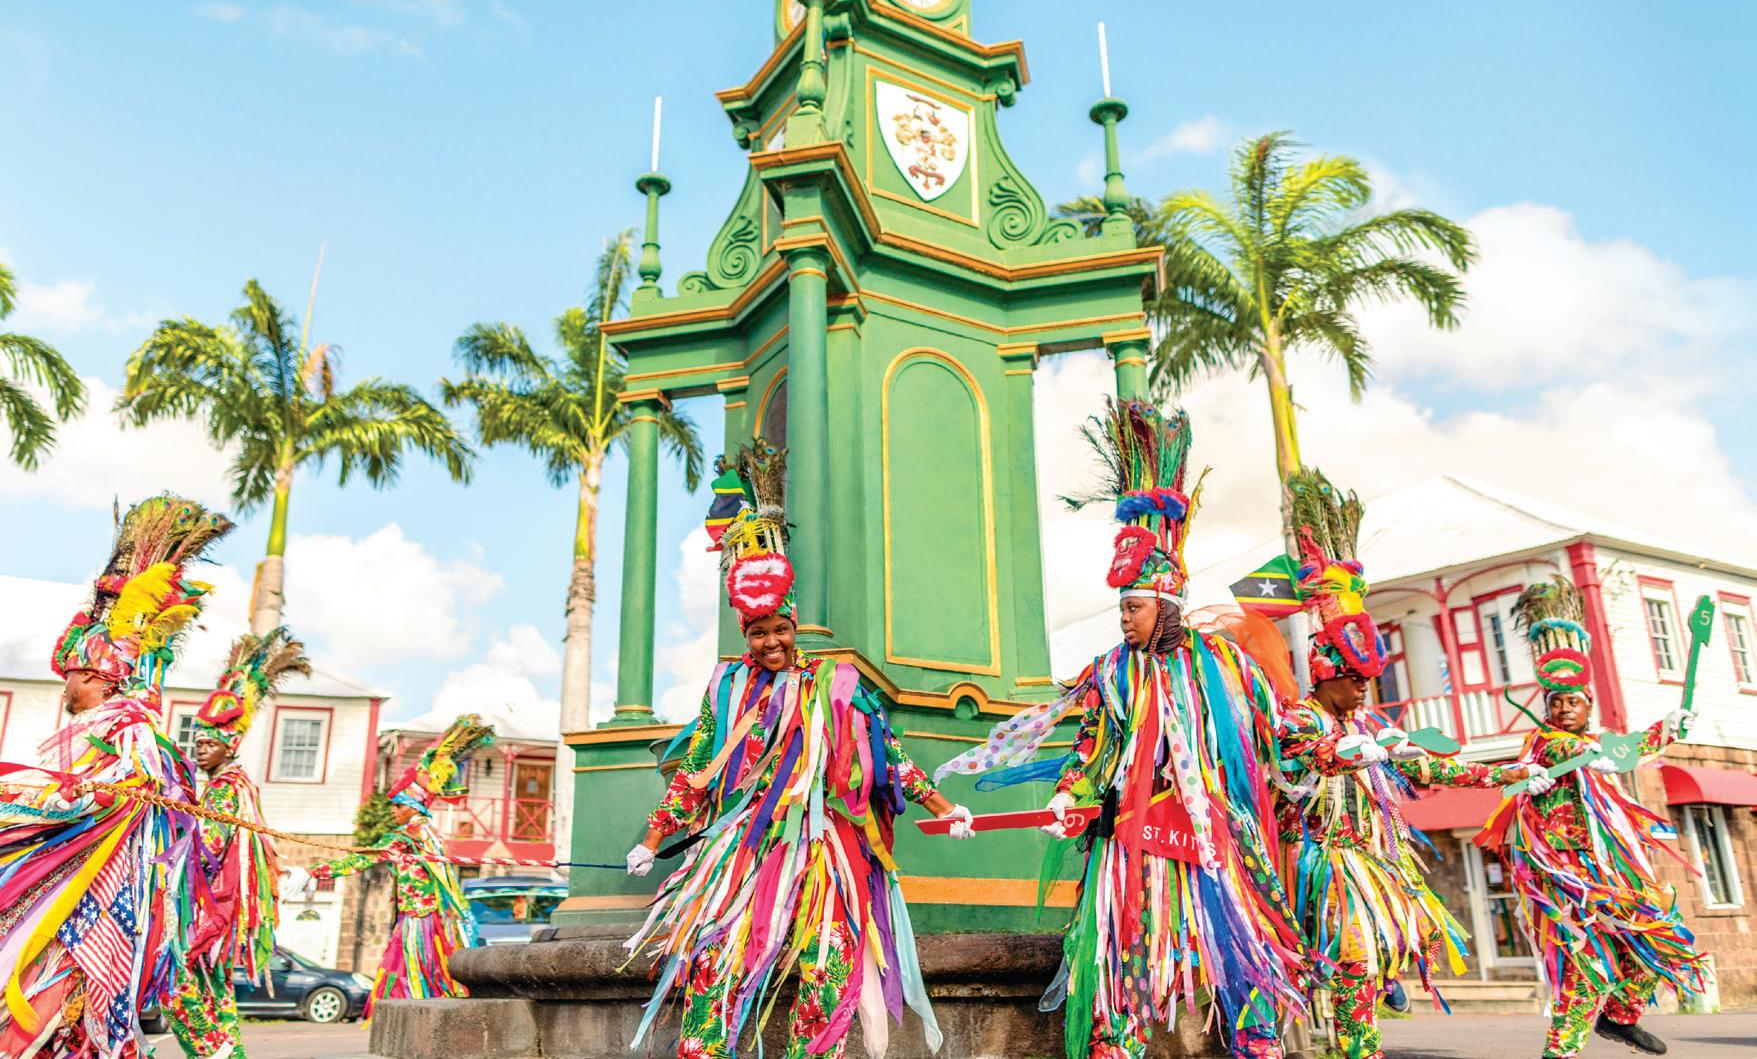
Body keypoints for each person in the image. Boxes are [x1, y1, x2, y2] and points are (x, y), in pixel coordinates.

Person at [938, 398, 1305, 1059]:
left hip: (1209, 835)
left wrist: (1328, 747)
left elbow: (1277, 731)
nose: (1124, 619)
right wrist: (1070, 793)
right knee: (1117, 953)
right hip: (1131, 837)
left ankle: (1258, 1046)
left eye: (1133, 607)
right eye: (1121, 609)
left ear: (1167, 605)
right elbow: (1092, 747)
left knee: (1242, 947)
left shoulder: (1223, 664)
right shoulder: (1111, 671)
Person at [624, 438, 970, 1059]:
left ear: (794, 624)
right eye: (759, 632)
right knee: (713, 959)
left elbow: (888, 756)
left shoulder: (834, 686)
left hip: (820, 851)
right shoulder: (726, 689)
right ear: (745, 633)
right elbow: (697, 769)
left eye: (780, 629)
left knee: (831, 959)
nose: (771, 643)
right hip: (745, 851)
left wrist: (944, 808)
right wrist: (651, 841)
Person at [1270, 469, 1530, 1059]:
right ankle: (1357, 1044)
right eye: (1355, 678)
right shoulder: (1301, 718)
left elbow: (1427, 769)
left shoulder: (1369, 724)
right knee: (1354, 955)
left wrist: (1500, 775)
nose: (1364, 688)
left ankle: (1375, 988)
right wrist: (1352, 751)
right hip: (1319, 861)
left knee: (1409, 933)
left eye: (1369, 678)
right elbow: (1313, 757)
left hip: (1372, 860)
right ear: (1325, 675)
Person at [0, 494, 233, 1059]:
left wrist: (15, 797)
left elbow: (103, 797)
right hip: (67, 890)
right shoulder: (104, 723)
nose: (65, 685)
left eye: (73, 674)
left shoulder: (128, 729)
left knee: (61, 1018)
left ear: (99, 678)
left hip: (93, 901)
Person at [1480, 579, 1701, 1058]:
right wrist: (1638, 742)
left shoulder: (1597, 740)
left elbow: (1617, 750)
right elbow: (1586, 752)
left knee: (1660, 937)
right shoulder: (1545, 743)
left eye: (1572, 702)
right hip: (1565, 877)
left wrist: (1668, 728)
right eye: (1555, 702)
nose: (1562, 710)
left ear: (1588, 706)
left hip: (1609, 873)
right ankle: (1560, 1053)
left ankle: (1619, 1017)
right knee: (1582, 969)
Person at [163, 630, 311, 1059]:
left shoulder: (225, 788)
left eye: (209, 744)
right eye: (197, 743)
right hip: (218, 909)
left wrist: (166, 837)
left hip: (208, 907)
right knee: (217, 995)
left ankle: (213, 1055)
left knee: (177, 988)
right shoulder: (234, 784)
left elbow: (207, 847)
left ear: (229, 748)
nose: (199, 750)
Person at [311, 715, 491, 1017]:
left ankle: (416, 1017)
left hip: (419, 919)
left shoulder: (408, 834)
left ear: (413, 805)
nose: (393, 810)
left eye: (398, 805)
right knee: (425, 971)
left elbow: (364, 858)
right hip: (431, 917)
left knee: (413, 969)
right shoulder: (428, 832)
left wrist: (316, 871)